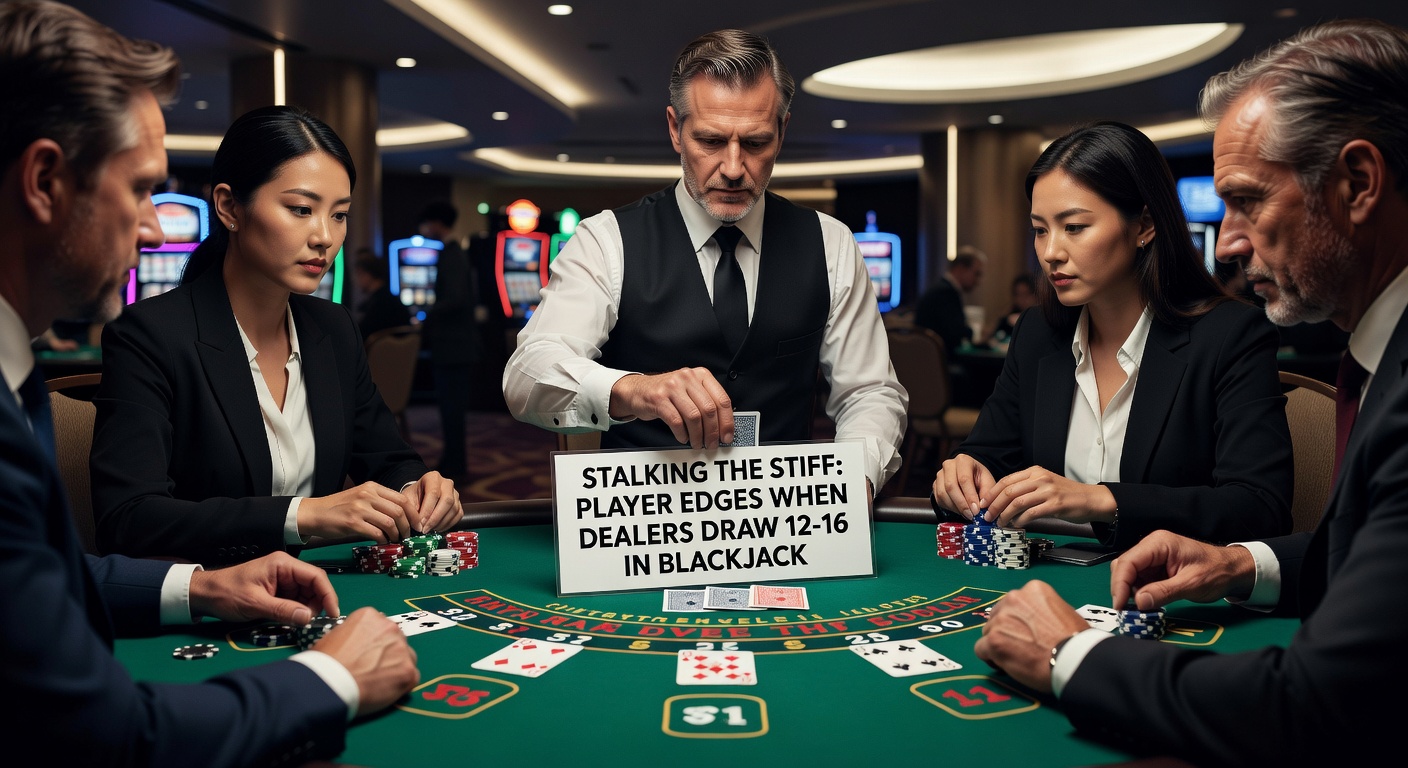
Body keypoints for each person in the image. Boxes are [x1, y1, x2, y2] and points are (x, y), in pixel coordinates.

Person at [973, 20, 1408, 764]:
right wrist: (1242, 566)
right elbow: (1361, 562)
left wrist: (1071, 655)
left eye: (1246, 201)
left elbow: (1314, 704)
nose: (1229, 239)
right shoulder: (1378, 359)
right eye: (1042, 229)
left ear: (1358, 184)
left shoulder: (1270, 349)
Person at [0, 2, 417, 764]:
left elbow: (55, 581)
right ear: (44, 180)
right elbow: (102, 735)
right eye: (141, 188)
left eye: (339, 214)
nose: (159, 227)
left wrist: (203, 589)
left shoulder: (13, 375)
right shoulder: (145, 338)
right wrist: (328, 678)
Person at [502, 29, 907, 493]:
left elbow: (870, 392)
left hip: (787, 521)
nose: (734, 168)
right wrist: (634, 389)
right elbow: (527, 372)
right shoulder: (607, 240)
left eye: (755, 143)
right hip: (641, 525)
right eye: (711, 141)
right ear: (675, 129)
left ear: (783, 130)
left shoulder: (830, 243)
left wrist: (851, 485)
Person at [91, 105, 462, 565]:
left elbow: (388, 457)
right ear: (229, 206)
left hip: (321, 591)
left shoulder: (334, 328)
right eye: (301, 210)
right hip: (210, 597)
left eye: (340, 215)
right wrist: (302, 516)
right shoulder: (150, 335)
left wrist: (417, 486)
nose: (324, 236)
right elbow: (129, 519)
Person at [933, 121, 1292, 549]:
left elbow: (1258, 509)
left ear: (1143, 225)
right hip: (1046, 588)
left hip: (1171, 595)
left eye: (1075, 227)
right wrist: (964, 471)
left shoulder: (1230, 336)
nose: (1051, 252)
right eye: (1040, 229)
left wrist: (1101, 500)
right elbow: (989, 455)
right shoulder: (1038, 335)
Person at [418, 200, 480, 482]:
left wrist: (427, 313)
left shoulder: (451, 254)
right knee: (451, 411)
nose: (424, 229)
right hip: (457, 346)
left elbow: (456, 298)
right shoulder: (455, 252)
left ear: (436, 223)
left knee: (452, 411)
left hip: (454, 347)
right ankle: (453, 461)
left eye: (427, 223)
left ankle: (454, 465)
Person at [913, 245, 985, 353]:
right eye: (976, 274)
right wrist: (978, 333)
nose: (978, 281)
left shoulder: (942, 288)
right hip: (939, 362)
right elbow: (955, 333)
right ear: (961, 268)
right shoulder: (946, 292)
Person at [353, 247, 410, 340]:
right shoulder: (393, 300)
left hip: (382, 354)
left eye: (358, 274)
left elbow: (360, 335)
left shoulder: (378, 304)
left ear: (367, 275)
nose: (356, 280)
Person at [987, 272, 1037, 345]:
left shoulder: (1039, 317)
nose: (1022, 299)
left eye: (1025, 294)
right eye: (1018, 295)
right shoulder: (1009, 316)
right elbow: (994, 336)